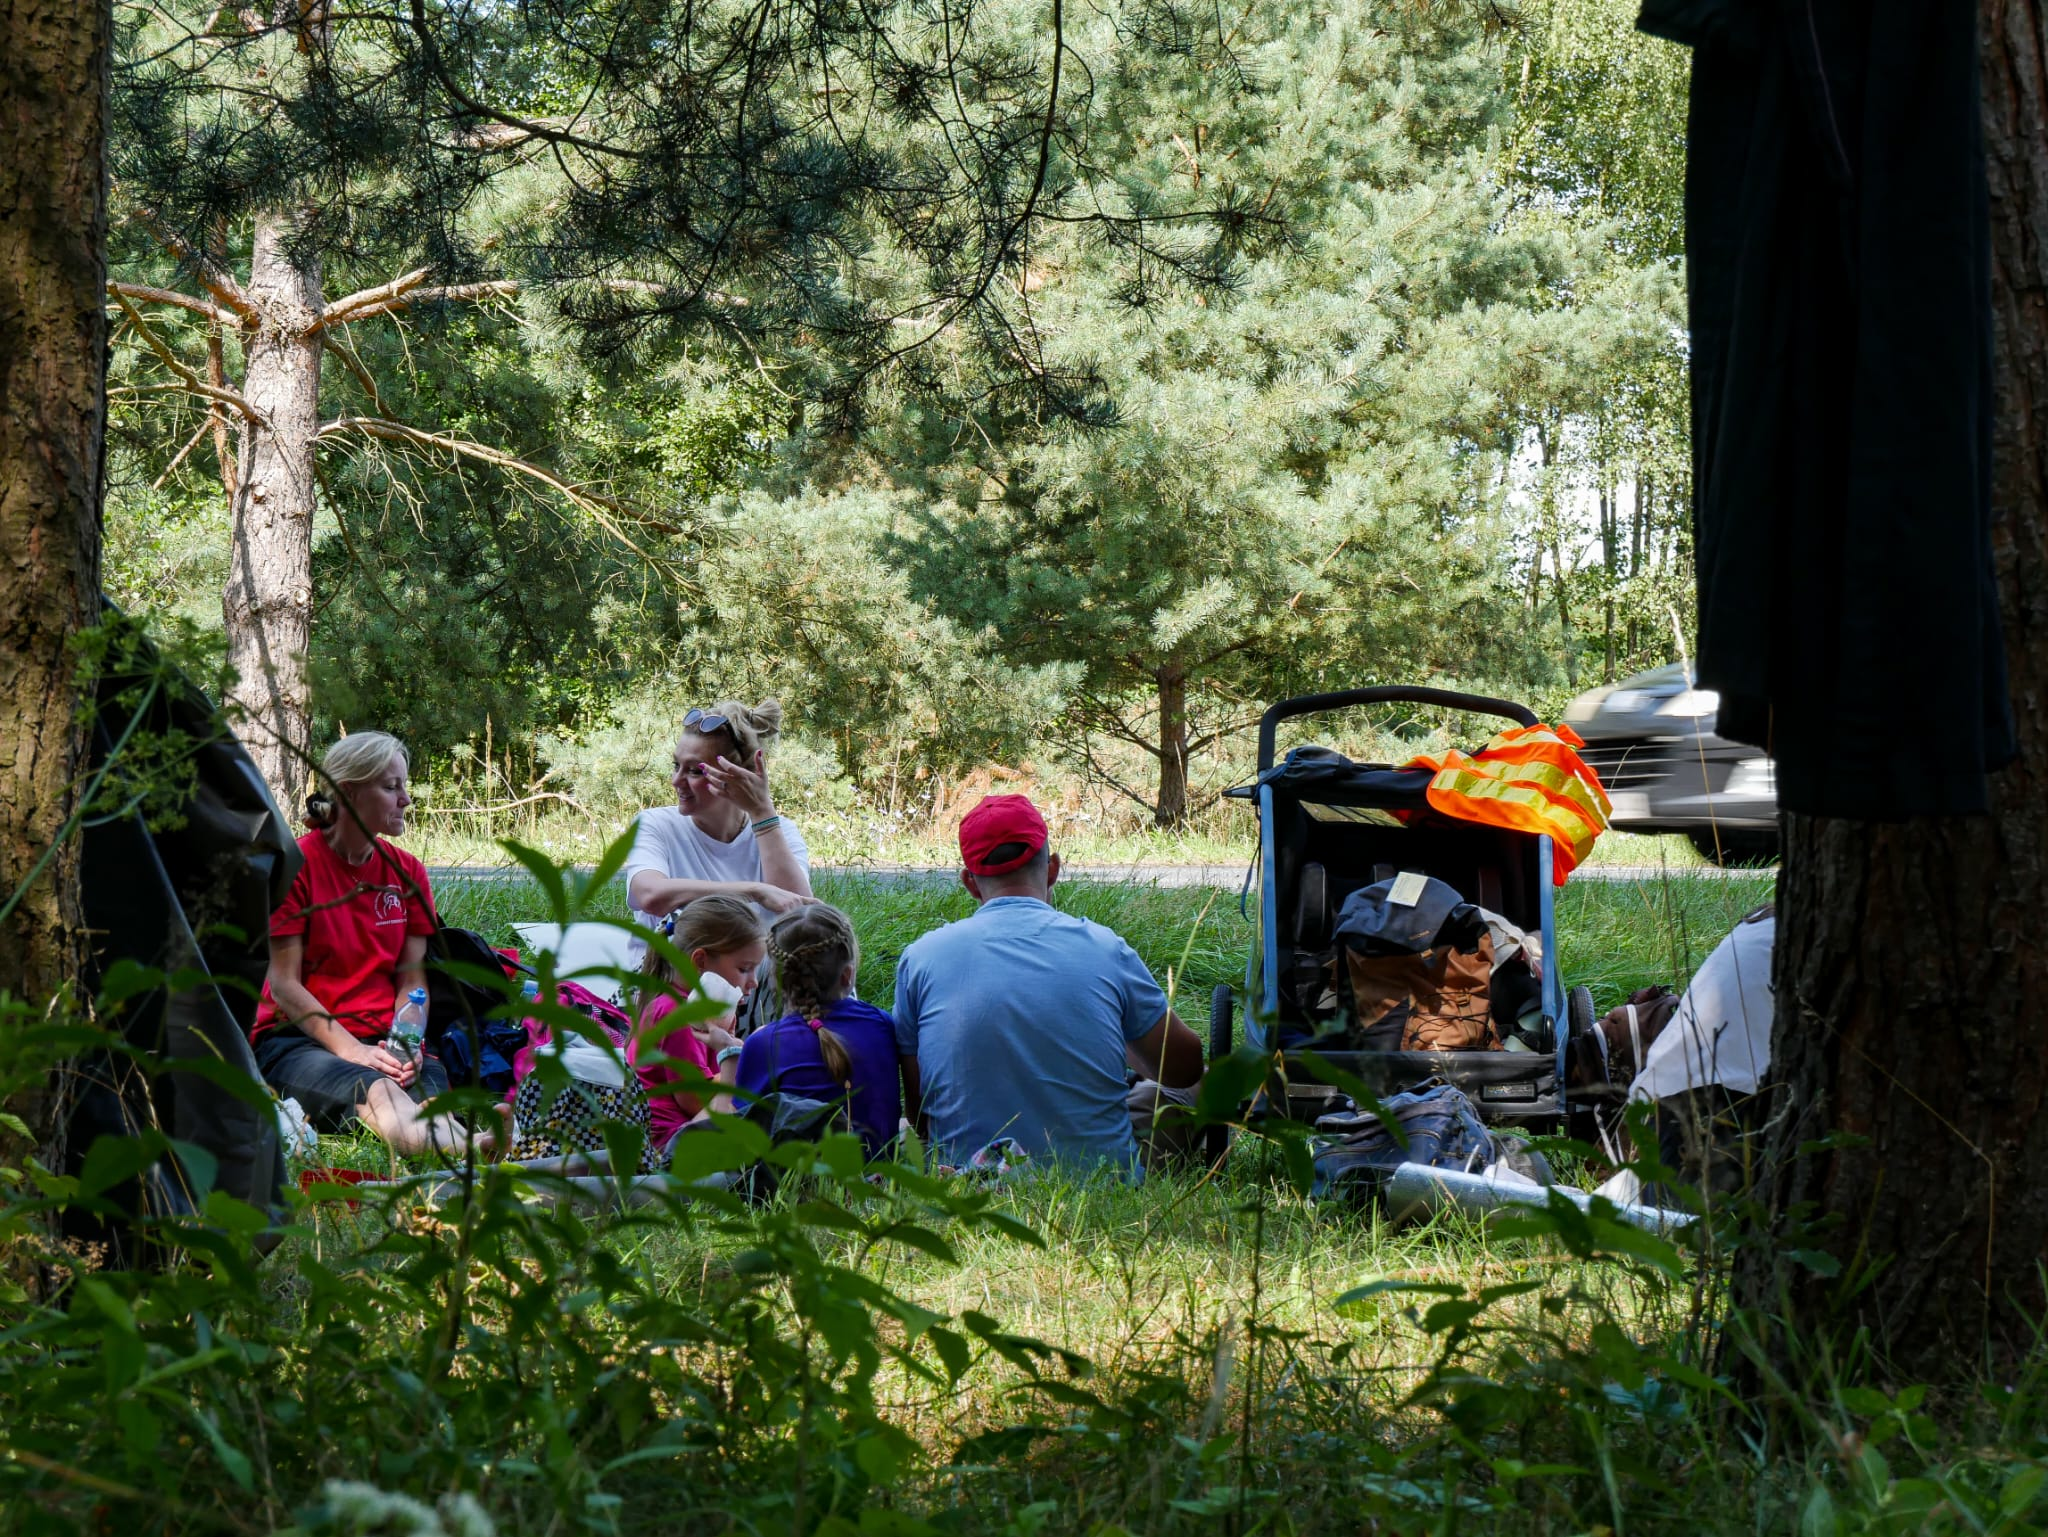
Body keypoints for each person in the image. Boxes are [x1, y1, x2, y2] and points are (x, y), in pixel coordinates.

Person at [891, 794, 1204, 1177]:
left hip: (967, 1175)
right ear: (1053, 869)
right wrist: (1114, 1034)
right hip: (1100, 1179)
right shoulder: (1106, 948)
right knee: (1196, 1086)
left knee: (905, 1132)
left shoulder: (921, 957)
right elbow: (1185, 1068)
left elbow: (919, 1113)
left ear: (970, 883)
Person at [252, 731, 500, 1160]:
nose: (405, 799)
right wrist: (355, 1051)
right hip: (299, 1042)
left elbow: (413, 979)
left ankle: (474, 1148)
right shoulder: (296, 866)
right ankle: (479, 1151)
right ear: (349, 793)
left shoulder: (408, 873)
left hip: (385, 1042)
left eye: (404, 786)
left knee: (433, 1106)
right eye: (391, 787)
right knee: (382, 1093)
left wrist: (406, 1041)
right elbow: (284, 985)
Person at [623, 699, 815, 969]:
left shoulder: (780, 831)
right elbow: (651, 896)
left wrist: (763, 814)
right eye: (675, 765)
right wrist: (754, 891)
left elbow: (800, 917)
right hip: (669, 998)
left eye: (693, 771)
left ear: (737, 775)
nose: (676, 781)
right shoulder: (654, 824)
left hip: (755, 996)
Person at [722, 905, 901, 1158]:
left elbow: (740, 1139)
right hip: (879, 1174)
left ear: (775, 977)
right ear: (847, 975)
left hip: (798, 1187)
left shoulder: (765, 1044)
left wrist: (728, 1056)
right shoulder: (881, 1023)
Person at [629, 895, 767, 1157]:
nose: (754, 982)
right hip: (668, 1143)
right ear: (701, 961)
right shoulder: (678, 1015)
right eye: (744, 968)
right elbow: (694, 1101)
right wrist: (741, 1058)